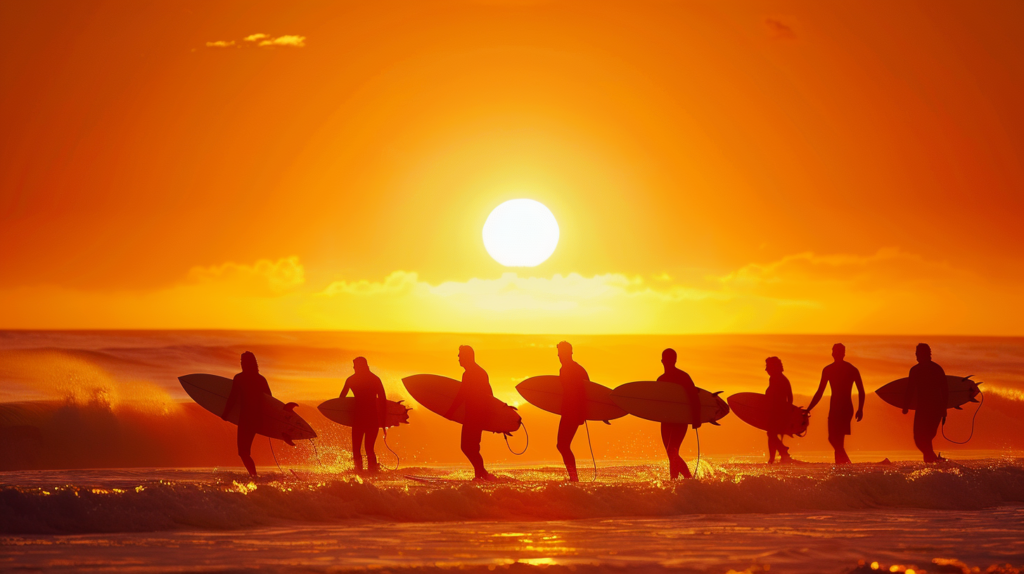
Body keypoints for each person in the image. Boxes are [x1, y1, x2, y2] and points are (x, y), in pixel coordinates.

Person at [806, 343, 865, 464]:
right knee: (835, 439)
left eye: (839, 352)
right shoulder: (828, 370)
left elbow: (861, 391)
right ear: (832, 353)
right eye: (835, 351)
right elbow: (820, 392)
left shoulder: (852, 369)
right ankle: (841, 465)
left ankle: (845, 464)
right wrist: (809, 408)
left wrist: (860, 409)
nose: (836, 354)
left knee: (835, 439)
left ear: (843, 354)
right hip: (834, 407)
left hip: (846, 407)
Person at [445, 345, 496, 480]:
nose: (458, 358)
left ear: (467, 356)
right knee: (470, 447)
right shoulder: (480, 372)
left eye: (460, 355)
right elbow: (490, 393)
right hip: (474, 416)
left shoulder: (471, 373)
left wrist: (450, 412)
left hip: (475, 417)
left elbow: (462, 394)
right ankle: (480, 473)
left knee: (468, 447)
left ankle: (481, 473)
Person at [222, 351, 272, 477]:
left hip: (246, 420)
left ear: (248, 363)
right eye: (241, 361)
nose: (241, 364)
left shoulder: (239, 378)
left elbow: (232, 398)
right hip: (257, 419)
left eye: (243, 361)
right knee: (245, 452)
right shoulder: (260, 379)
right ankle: (253, 475)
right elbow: (269, 400)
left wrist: (225, 414)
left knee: (243, 453)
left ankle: (254, 476)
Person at [658, 348, 702, 479]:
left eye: (670, 360)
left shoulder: (683, 377)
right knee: (671, 453)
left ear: (675, 360)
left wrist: (696, 418)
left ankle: (682, 480)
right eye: (666, 360)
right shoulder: (660, 380)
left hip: (680, 420)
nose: (668, 362)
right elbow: (657, 402)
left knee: (672, 451)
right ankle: (681, 480)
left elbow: (694, 397)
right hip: (666, 421)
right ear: (662, 361)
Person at [339, 357, 387, 473]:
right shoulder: (375, 379)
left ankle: (359, 472)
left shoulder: (351, 380)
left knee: (357, 449)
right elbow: (382, 400)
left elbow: (341, 400)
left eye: (355, 366)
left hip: (359, 418)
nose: (354, 368)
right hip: (372, 418)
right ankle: (372, 472)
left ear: (362, 366)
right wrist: (383, 421)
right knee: (369, 449)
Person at [903, 343, 949, 463]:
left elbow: (910, 390)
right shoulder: (937, 369)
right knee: (925, 439)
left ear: (925, 354)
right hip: (933, 409)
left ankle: (933, 461)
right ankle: (933, 461)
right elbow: (945, 390)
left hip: (926, 410)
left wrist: (906, 406)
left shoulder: (917, 370)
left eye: (918, 353)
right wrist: (944, 409)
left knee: (921, 439)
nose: (916, 356)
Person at [556, 341, 588, 482]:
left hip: (572, 413)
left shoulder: (573, 369)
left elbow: (585, 393)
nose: (558, 356)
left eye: (560, 353)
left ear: (568, 353)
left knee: (562, 445)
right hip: (569, 412)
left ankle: (574, 477)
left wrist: (582, 414)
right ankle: (573, 476)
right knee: (563, 445)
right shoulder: (569, 369)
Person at [764, 356, 794, 464]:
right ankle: (777, 455)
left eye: (768, 366)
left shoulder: (781, 379)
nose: (766, 369)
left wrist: (788, 413)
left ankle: (778, 454)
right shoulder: (774, 378)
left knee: (771, 434)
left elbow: (789, 397)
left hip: (779, 411)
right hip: (774, 411)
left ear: (775, 367)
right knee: (771, 434)